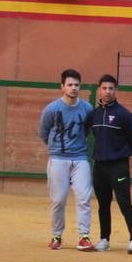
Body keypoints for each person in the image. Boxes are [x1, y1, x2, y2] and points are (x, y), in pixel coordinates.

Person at [38, 69, 96, 251]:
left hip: (80, 158)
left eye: (76, 85)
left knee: (84, 197)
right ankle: (56, 236)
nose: (73, 88)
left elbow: (86, 130)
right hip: (58, 158)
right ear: (62, 86)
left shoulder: (87, 108)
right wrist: (56, 149)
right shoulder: (52, 109)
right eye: (70, 85)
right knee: (58, 199)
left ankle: (84, 236)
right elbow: (44, 132)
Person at [89, 74, 132, 254]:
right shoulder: (94, 114)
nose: (108, 92)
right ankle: (104, 239)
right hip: (99, 167)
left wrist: (122, 155)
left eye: (111, 88)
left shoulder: (124, 114)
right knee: (103, 204)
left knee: (124, 203)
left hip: (118, 166)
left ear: (116, 91)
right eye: (104, 88)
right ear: (99, 89)